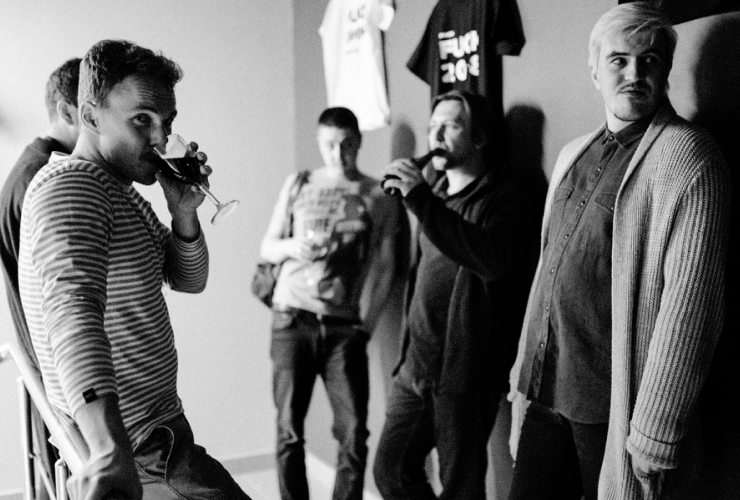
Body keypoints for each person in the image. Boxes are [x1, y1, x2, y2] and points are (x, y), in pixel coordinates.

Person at [507, 3, 731, 500]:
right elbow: (547, 271)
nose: (634, 73)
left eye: (649, 60)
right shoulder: (572, 153)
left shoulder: (688, 157)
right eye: (618, 60)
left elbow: (692, 306)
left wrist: (655, 430)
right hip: (546, 390)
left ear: (666, 71)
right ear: (594, 70)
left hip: (613, 413)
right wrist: (522, 380)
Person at [18, 39, 251, 500]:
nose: (161, 139)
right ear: (90, 116)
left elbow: (188, 280)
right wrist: (109, 449)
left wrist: (183, 212)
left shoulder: (118, 191)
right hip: (140, 447)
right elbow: (72, 312)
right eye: (142, 119)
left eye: (167, 122)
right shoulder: (74, 188)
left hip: (156, 434)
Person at [373, 90, 533, 499]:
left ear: (479, 137)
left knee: (461, 488)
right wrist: (421, 198)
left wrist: (421, 200)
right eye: (432, 126)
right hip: (416, 365)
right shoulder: (436, 192)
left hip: (466, 372)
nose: (436, 135)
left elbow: (494, 261)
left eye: (451, 125)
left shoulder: (504, 197)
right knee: (391, 471)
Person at [259, 106, 399, 500]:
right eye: (329, 145)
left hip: (343, 325)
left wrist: (367, 326)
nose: (338, 154)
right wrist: (293, 246)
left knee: (353, 432)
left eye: (347, 144)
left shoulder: (379, 195)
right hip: (291, 317)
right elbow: (268, 247)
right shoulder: (299, 184)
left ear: (359, 141)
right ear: (320, 143)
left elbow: (388, 266)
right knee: (289, 429)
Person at [0, 56, 81, 500]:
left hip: (51, 371)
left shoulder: (34, 169)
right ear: (69, 111)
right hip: (60, 377)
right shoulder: (47, 178)